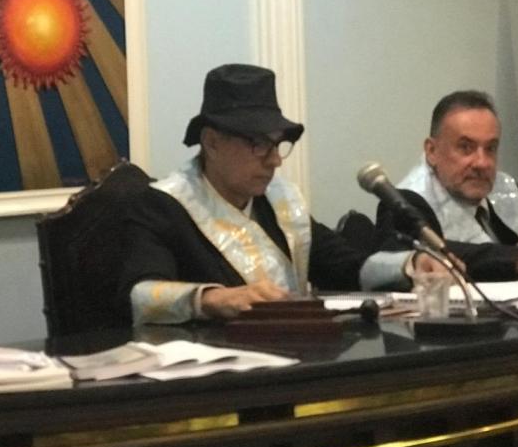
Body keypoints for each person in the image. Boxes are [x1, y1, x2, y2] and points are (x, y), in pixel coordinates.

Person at [119, 63, 437, 324]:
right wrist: (213, 298)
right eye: (258, 144)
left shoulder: (278, 201)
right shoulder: (162, 205)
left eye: (277, 144)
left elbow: (345, 267)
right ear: (212, 143)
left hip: (291, 356)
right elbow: (140, 295)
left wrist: (408, 265)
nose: (274, 160)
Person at [374, 90, 518, 281]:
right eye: (465, 147)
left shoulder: (504, 188)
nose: (482, 163)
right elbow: (431, 253)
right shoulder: (403, 204)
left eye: (490, 148)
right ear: (432, 151)